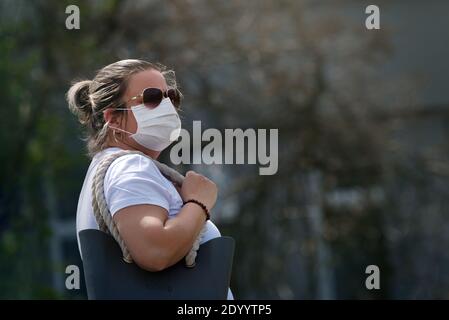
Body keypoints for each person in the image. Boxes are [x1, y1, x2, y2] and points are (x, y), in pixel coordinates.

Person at [67, 59, 234, 299]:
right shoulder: (130, 166)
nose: (167, 106)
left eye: (171, 97)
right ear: (113, 118)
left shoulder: (112, 166)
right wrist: (199, 203)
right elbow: (154, 252)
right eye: (152, 97)